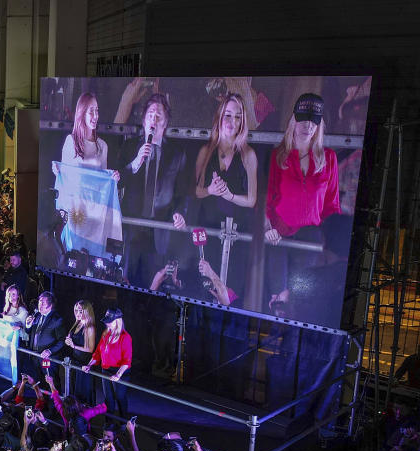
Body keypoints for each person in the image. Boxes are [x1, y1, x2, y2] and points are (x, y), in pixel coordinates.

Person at [265, 93, 341, 312]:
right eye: (303, 119)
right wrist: (269, 227)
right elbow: (270, 197)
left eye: (314, 121)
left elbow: (331, 203)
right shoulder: (279, 156)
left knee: (300, 294)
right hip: (280, 233)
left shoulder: (329, 158)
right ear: (294, 121)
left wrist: (324, 236)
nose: (308, 125)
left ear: (319, 125)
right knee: (278, 292)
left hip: (311, 236)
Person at [116, 93, 189, 289]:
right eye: (150, 115)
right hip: (131, 229)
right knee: (124, 283)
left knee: (153, 286)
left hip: (159, 231)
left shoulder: (177, 153)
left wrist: (181, 213)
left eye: (158, 116)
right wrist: (135, 163)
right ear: (143, 120)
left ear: (165, 124)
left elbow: (184, 193)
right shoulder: (130, 146)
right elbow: (115, 181)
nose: (153, 120)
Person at [191, 93, 258, 301]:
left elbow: (251, 200)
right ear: (220, 117)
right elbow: (197, 191)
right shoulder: (205, 152)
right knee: (206, 289)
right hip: (208, 230)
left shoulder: (248, 155)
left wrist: (229, 195)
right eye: (228, 115)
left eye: (238, 117)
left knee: (230, 293)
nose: (232, 121)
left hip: (236, 234)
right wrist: (210, 190)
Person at [82, 308, 132, 416]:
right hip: (106, 369)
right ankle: (109, 422)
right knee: (108, 398)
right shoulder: (106, 334)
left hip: (120, 371)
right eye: (107, 321)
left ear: (118, 321)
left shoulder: (125, 337)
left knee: (120, 397)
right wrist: (89, 365)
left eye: (110, 321)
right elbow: (98, 353)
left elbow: (127, 360)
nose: (107, 323)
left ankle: (123, 422)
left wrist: (118, 374)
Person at [24, 291, 66, 382]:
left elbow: (62, 340)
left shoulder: (57, 319)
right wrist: (28, 325)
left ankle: (54, 396)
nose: (40, 304)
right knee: (38, 381)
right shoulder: (37, 315)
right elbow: (29, 332)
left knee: (50, 381)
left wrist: (50, 351)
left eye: (43, 302)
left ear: (50, 305)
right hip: (35, 356)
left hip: (47, 359)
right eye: (39, 301)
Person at [64, 299, 97, 402]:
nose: (77, 313)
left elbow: (90, 349)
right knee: (73, 391)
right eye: (76, 310)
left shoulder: (89, 327)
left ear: (86, 311)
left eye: (80, 311)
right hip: (75, 361)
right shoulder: (77, 324)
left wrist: (74, 346)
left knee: (83, 393)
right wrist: (68, 341)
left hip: (84, 363)